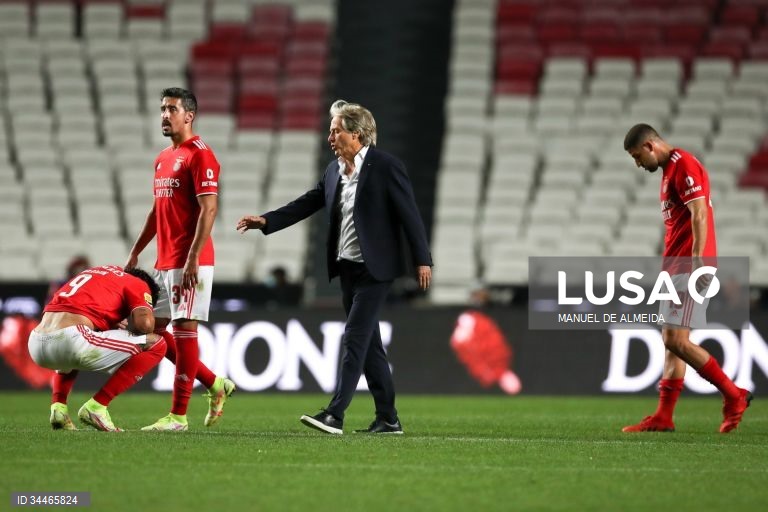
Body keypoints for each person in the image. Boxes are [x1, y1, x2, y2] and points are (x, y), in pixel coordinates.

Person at [237, 99, 433, 435]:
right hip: (347, 269)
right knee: (369, 346)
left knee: (354, 337)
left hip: (377, 270)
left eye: (335, 130)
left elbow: (409, 215)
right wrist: (267, 220)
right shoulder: (333, 171)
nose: (330, 137)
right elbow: (308, 202)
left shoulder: (386, 166)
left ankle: (335, 413)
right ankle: (388, 418)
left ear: (356, 134)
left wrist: (423, 259)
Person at [622, 123, 752, 433]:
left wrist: (699, 262)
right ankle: (664, 416)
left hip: (690, 267)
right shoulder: (669, 171)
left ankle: (734, 395)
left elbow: (700, 213)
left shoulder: (683, 165)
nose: (638, 164)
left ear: (651, 146)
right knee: (672, 344)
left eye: (637, 156)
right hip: (675, 268)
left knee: (675, 339)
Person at [126, 87, 234, 432]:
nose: (164, 115)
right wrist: (137, 249)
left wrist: (191, 259)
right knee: (154, 331)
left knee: (184, 330)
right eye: (162, 108)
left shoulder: (200, 155)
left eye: (171, 109)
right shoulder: (162, 158)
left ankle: (178, 416)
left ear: (189, 115)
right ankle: (215, 384)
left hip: (191, 261)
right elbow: (157, 211)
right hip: (163, 261)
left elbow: (210, 209)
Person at [28, 265, 166, 432]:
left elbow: (82, 310)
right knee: (157, 344)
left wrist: (110, 321)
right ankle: (97, 407)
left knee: (74, 344)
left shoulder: (99, 272)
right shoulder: (139, 283)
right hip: (71, 339)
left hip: (36, 342)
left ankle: (59, 409)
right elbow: (144, 325)